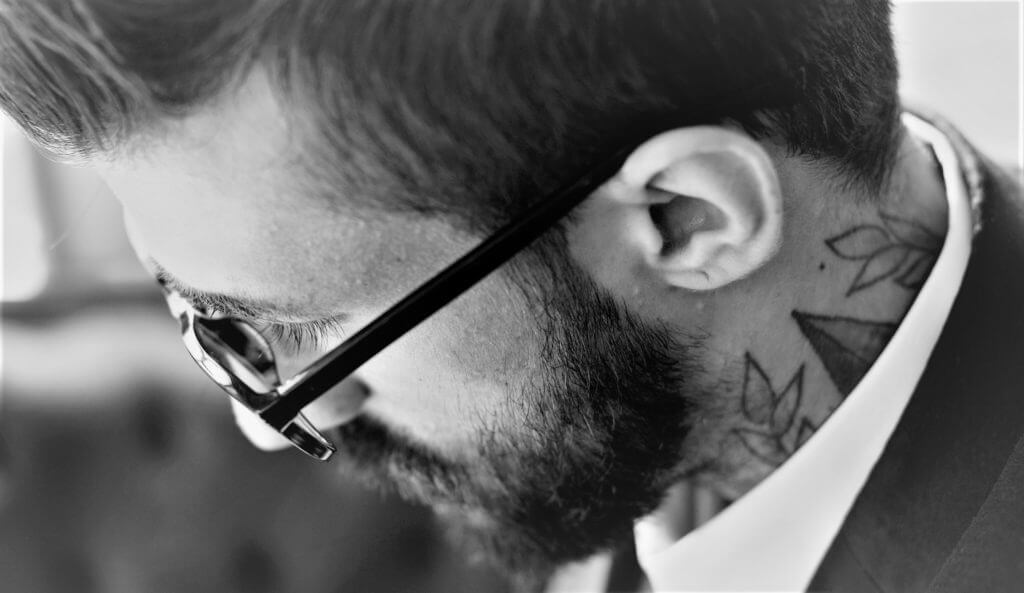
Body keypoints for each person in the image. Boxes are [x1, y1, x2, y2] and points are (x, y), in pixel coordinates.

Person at [1, 1, 1021, 591]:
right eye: (208, 322)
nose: (266, 426)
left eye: (301, 328)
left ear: (683, 219)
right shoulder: (645, 429)